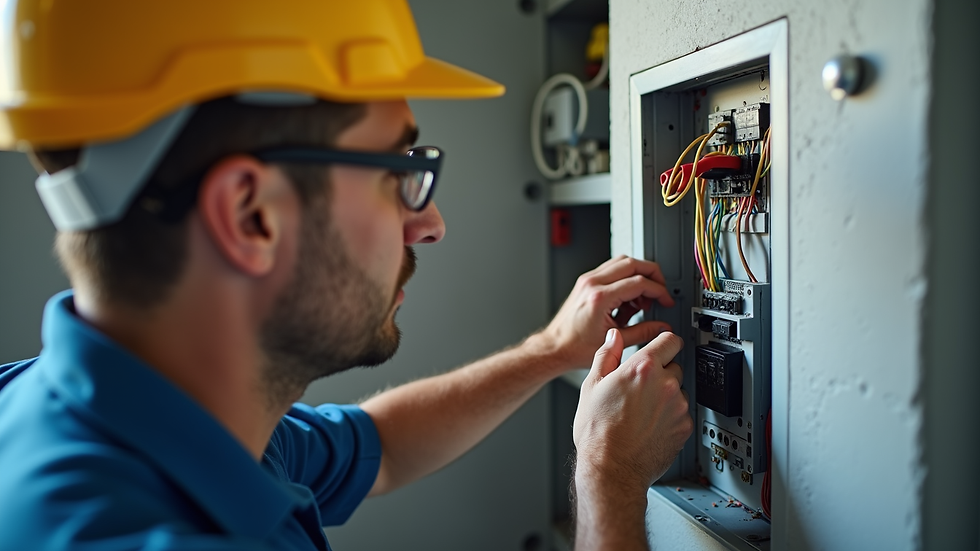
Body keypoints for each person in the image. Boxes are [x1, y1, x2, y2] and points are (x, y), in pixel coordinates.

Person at [0, 1, 693, 550]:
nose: (430, 224)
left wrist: (550, 351)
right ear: (251, 216)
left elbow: (381, 446)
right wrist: (609, 475)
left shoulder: (125, 411)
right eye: (400, 174)